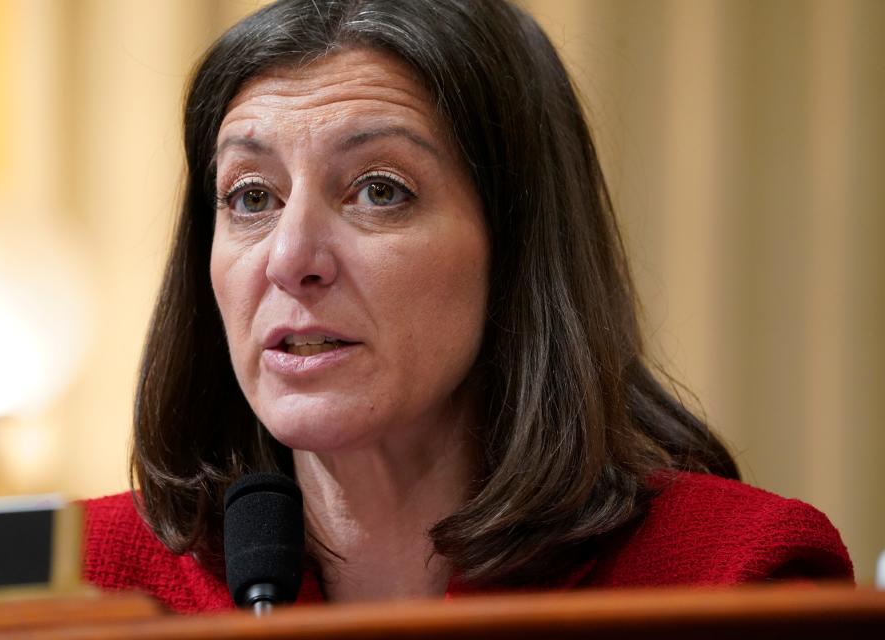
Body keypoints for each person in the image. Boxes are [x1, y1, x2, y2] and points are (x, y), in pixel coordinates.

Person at [82, 0, 852, 613]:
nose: (289, 259)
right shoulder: (82, 585)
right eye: (252, 197)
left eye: (379, 190)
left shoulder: (730, 576)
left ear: (517, 248)